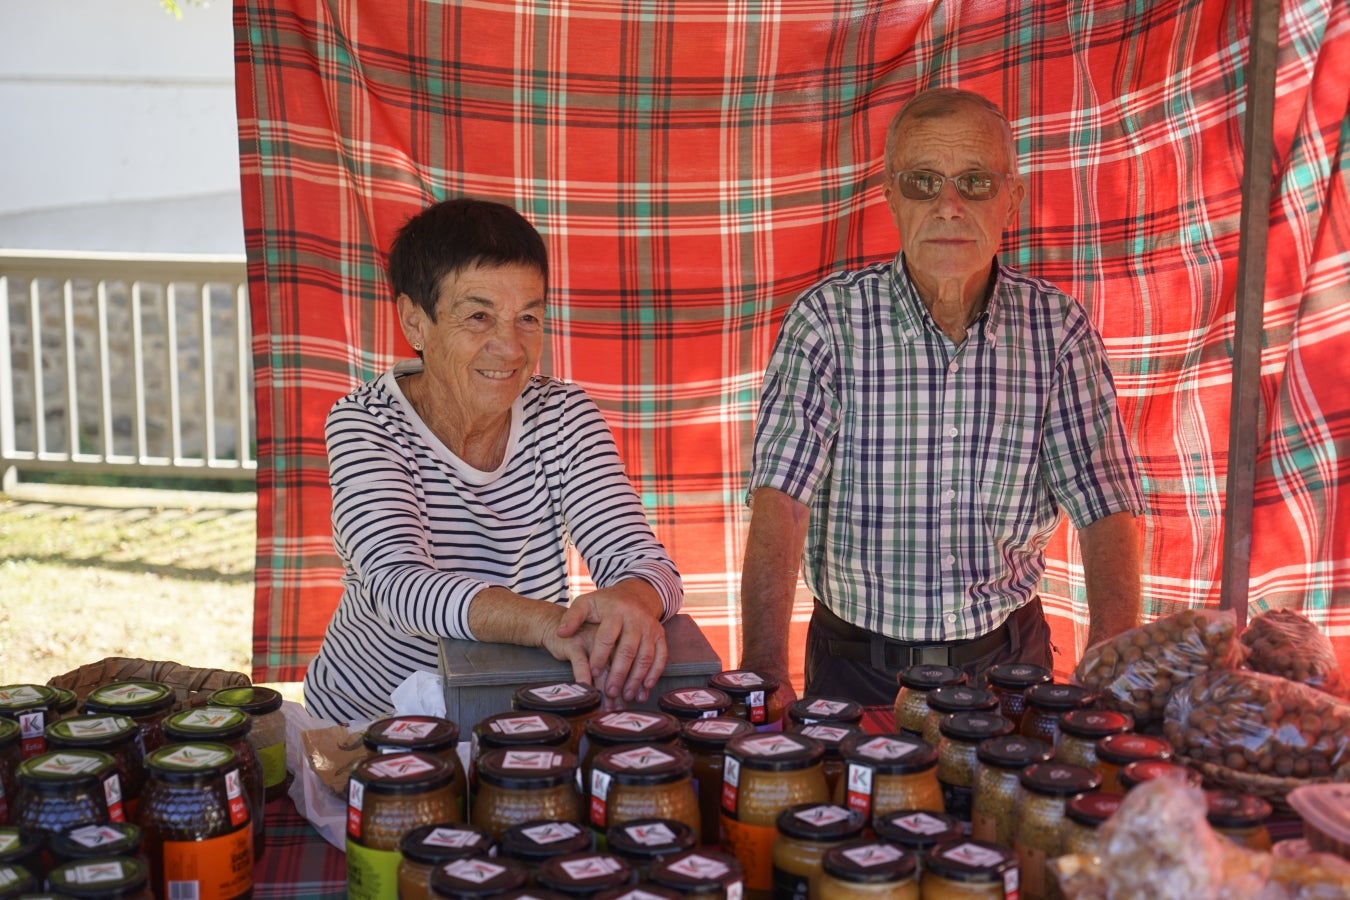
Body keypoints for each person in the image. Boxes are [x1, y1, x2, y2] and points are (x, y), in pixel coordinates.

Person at [738, 88, 1145, 707]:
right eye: (924, 182)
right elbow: (781, 499)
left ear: (1013, 198)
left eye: (975, 182)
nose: (949, 206)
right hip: (857, 670)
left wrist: (1114, 649)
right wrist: (765, 665)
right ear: (890, 196)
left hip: (1009, 665)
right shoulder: (827, 321)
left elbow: (1103, 500)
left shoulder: (1057, 329)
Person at [304, 198, 683, 723]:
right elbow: (398, 586)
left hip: (511, 715)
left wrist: (633, 603)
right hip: (368, 722)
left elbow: (647, 563)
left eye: (528, 317)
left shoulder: (564, 415)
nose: (509, 346)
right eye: (478, 316)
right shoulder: (366, 423)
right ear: (415, 322)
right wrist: (546, 623)